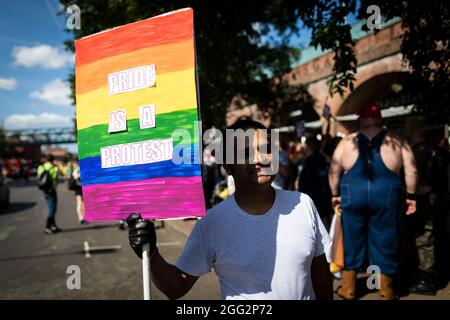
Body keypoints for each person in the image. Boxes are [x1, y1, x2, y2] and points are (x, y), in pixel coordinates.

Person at [127, 119, 333, 300]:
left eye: (267, 148)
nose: (261, 159)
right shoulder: (212, 224)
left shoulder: (303, 203)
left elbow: (321, 276)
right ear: (227, 165)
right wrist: (152, 255)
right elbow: (176, 287)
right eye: (245, 152)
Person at [329, 104, 418, 300]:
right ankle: (385, 291)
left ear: (361, 120)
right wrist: (411, 196)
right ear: (380, 118)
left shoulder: (347, 142)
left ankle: (348, 288)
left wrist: (335, 194)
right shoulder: (396, 140)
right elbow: (411, 170)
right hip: (386, 194)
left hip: (353, 193)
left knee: (352, 239)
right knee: (385, 238)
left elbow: (334, 171)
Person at [298, 136, 333, 230]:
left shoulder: (314, 160)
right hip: (320, 195)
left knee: (321, 221)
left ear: (308, 147)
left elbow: (313, 179)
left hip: (316, 195)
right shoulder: (319, 158)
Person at [37, 154, 61, 234]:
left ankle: (53, 226)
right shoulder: (55, 168)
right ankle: (47, 227)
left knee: (51, 208)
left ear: (46, 159)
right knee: (52, 209)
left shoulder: (41, 167)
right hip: (52, 189)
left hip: (45, 190)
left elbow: (39, 178)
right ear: (52, 159)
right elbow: (56, 178)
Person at [70, 159, 85, 224]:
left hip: (81, 187)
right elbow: (76, 177)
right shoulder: (76, 170)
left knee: (83, 203)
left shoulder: (77, 169)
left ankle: (82, 216)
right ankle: (81, 217)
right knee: (80, 203)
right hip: (78, 188)